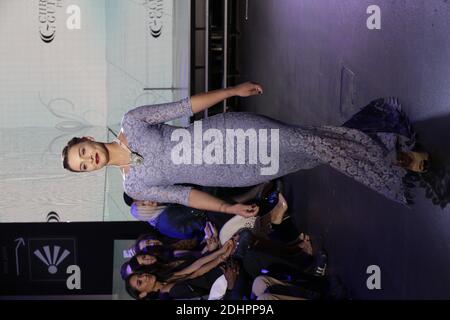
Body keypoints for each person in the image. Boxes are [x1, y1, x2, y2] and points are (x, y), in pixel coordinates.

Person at [62, 83, 424, 213]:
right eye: (83, 167)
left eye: (82, 152)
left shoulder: (133, 121)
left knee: (309, 141)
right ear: (89, 172)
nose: (88, 160)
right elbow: (186, 196)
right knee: (314, 153)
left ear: (88, 139)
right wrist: (227, 207)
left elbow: (185, 108)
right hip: (236, 172)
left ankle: (396, 160)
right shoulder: (134, 187)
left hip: (234, 134)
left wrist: (231, 92)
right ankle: (380, 131)